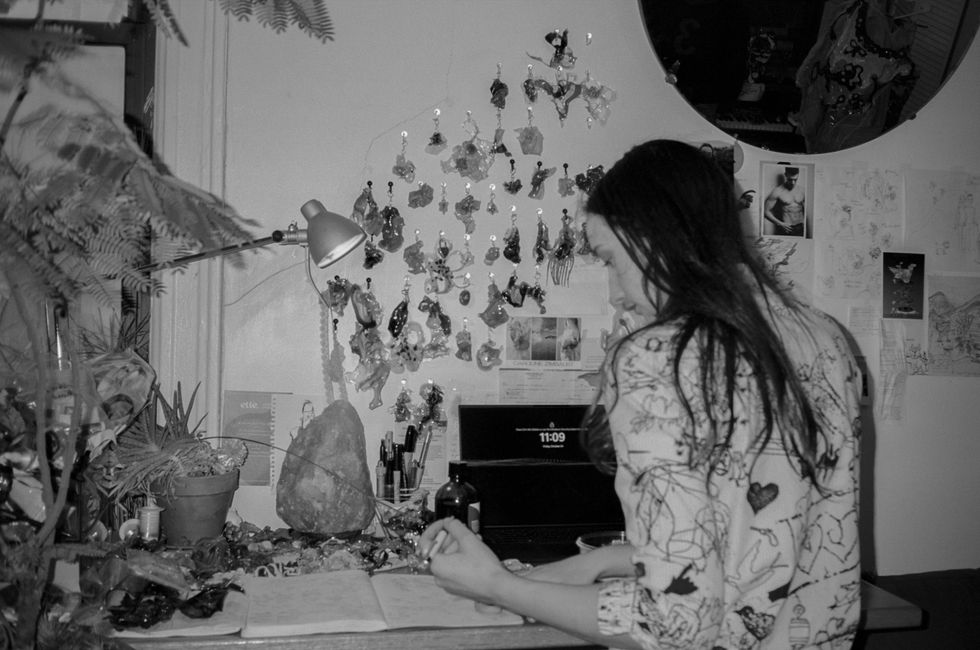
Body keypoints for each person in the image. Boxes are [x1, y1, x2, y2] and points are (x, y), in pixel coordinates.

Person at [419, 139, 861, 649]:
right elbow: (760, 536)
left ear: (653, 237)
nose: (615, 293)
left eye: (611, 259)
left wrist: (498, 585)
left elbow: (673, 626)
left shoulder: (659, 357)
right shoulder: (826, 339)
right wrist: (600, 562)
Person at [763, 166, 806, 236]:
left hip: (802, 227)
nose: (793, 183)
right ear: (786, 175)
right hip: (787, 228)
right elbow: (765, 211)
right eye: (790, 179)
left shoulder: (802, 190)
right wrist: (780, 224)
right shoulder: (777, 191)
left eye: (795, 180)